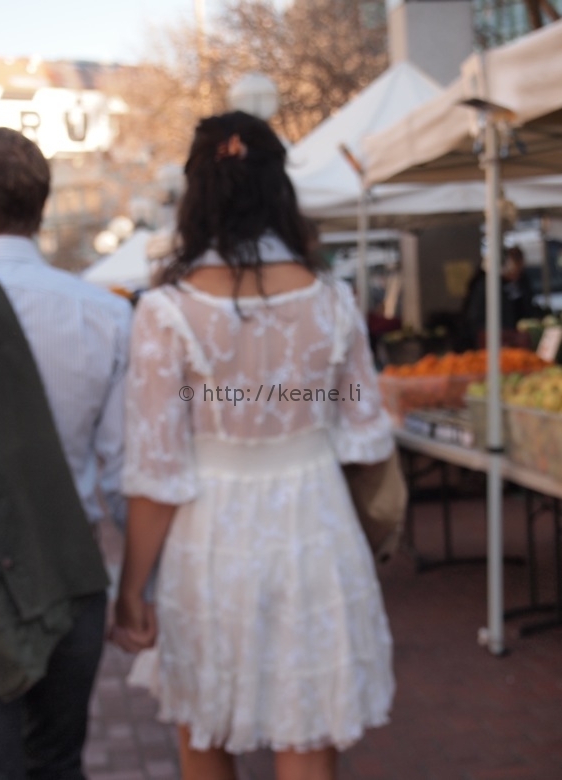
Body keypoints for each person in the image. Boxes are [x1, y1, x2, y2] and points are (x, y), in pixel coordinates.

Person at [112, 111, 395, 780]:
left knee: (206, 729)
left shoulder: (167, 311)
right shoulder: (333, 301)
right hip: (315, 530)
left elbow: (157, 472)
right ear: (278, 189)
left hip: (211, 539)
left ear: (197, 196)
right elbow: (365, 437)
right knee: (306, 730)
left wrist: (130, 591)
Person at [0, 127, 132, 779]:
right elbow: (125, 473)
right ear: (41, 206)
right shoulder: (103, 313)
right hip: (71, 574)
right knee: (59, 762)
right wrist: (138, 593)